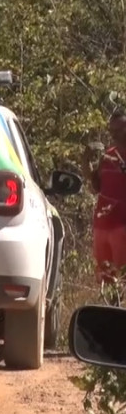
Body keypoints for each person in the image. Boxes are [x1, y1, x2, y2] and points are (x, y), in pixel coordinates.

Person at [83, 109, 126, 285]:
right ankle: (107, 310)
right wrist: (85, 161)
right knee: (104, 278)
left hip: (121, 227)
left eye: (119, 130)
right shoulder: (109, 155)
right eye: (112, 130)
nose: (115, 134)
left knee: (121, 278)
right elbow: (96, 185)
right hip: (101, 226)